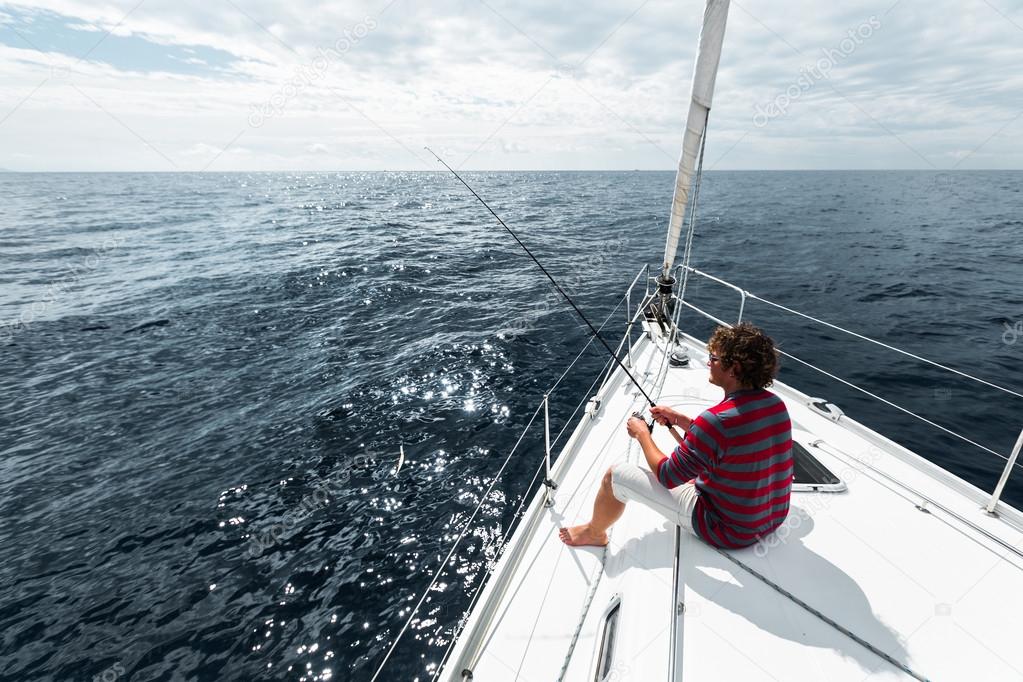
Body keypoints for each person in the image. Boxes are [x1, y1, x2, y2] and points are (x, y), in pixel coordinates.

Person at [558, 322, 793, 549]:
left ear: (735, 369)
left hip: (728, 532)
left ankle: (594, 533)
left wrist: (642, 434)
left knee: (615, 476)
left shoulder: (716, 421)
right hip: (771, 520)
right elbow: (733, 440)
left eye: (713, 358)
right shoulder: (776, 405)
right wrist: (680, 420)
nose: (708, 363)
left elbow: (668, 476)